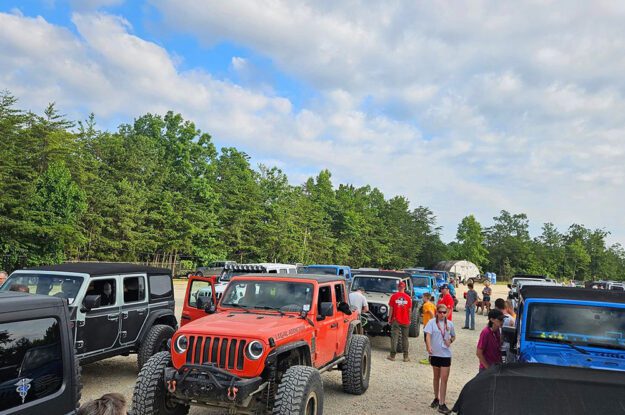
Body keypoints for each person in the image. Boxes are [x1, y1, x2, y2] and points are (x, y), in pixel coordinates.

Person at [424, 304, 456, 414]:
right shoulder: (431, 322)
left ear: (447, 313)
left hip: (446, 354)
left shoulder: (450, 324)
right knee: (436, 377)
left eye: (444, 312)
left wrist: (450, 341)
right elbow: (427, 335)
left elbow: (453, 336)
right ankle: (436, 398)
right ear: (437, 312)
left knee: (444, 379)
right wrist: (428, 347)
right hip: (435, 354)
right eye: (440, 312)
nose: (442, 314)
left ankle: (442, 403)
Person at [387, 281, 412, 362]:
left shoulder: (394, 296)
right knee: (405, 338)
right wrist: (409, 319)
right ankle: (405, 357)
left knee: (394, 337)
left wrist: (389, 318)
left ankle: (392, 356)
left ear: (398, 287)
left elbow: (391, 309)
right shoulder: (408, 298)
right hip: (405, 320)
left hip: (396, 319)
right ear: (404, 287)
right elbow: (409, 310)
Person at [420, 293, 437, 365]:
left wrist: (432, 321)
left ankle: (430, 359)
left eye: (423, 297)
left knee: (427, 342)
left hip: (427, 326)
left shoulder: (425, 305)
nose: (422, 298)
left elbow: (431, 313)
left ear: (426, 297)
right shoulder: (432, 304)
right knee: (431, 342)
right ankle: (431, 357)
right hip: (430, 325)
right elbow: (435, 311)